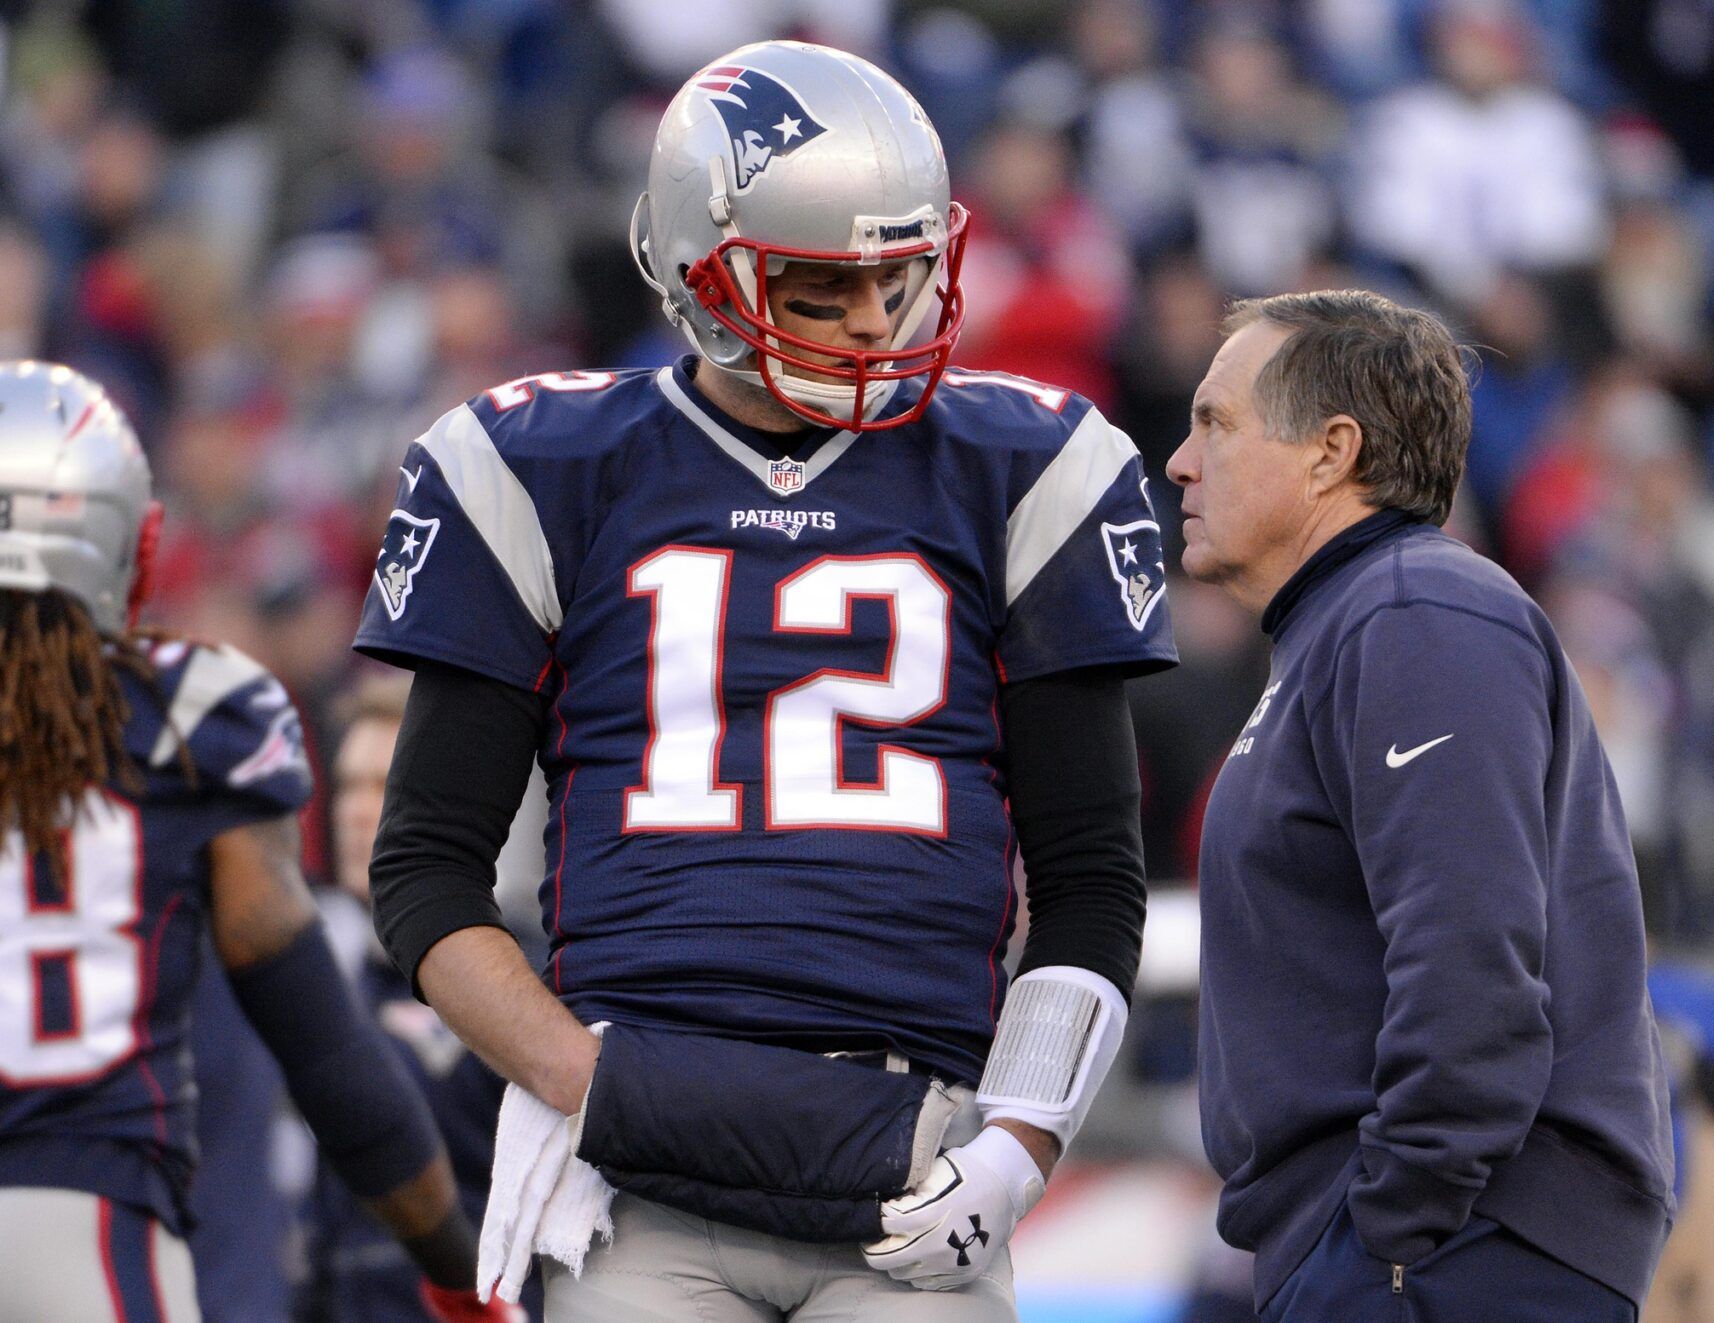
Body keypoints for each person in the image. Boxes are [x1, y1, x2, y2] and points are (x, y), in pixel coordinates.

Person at [354, 39, 1176, 1322]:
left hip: (917, 1151)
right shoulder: (544, 466)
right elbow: (421, 873)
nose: (872, 323)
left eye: (899, 279)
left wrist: (1016, 1153)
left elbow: (1089, 883)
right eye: (820, 288)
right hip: (637, 1169)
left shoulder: (1022, 465)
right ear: (698, 269)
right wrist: (584, 1082)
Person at [1166, 292, 1674, 1322]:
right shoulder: (1352, 627)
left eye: (1215, 422)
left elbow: (1469, 958)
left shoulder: (1416, 614)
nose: (1180, 460)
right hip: (1401, 1246)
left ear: (1329, 452)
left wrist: (1393, 1228)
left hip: (1454, 1249)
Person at [0, 362, 517, 1323]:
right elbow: (325, 1049)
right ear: (126, 542)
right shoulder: (188, 714)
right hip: (90, 1226)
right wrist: (454, 1271)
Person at [306, 672, 542, 1321]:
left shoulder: (531, 981)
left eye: (382, 785)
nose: (355, 810)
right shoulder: (326, 980)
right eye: (348, 784)